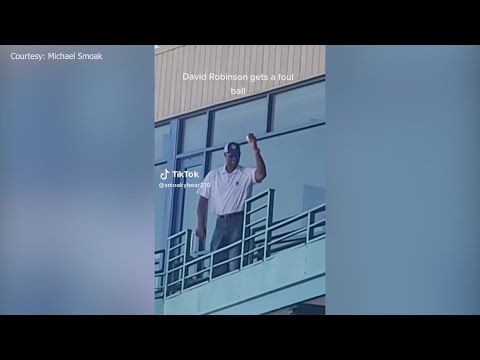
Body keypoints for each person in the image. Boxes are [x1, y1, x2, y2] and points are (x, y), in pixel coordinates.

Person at [196, 133, 267, 277]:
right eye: (231, 156)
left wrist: (255, 150)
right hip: (220, 221)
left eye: (236, 156)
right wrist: (200, 224)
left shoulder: (244, 173)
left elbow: (261, 175)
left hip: (238, 220)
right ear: (225, 156)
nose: (234, 159)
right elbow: (202, 202)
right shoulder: (213, 175)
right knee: (216, 259)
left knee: (235, 260)